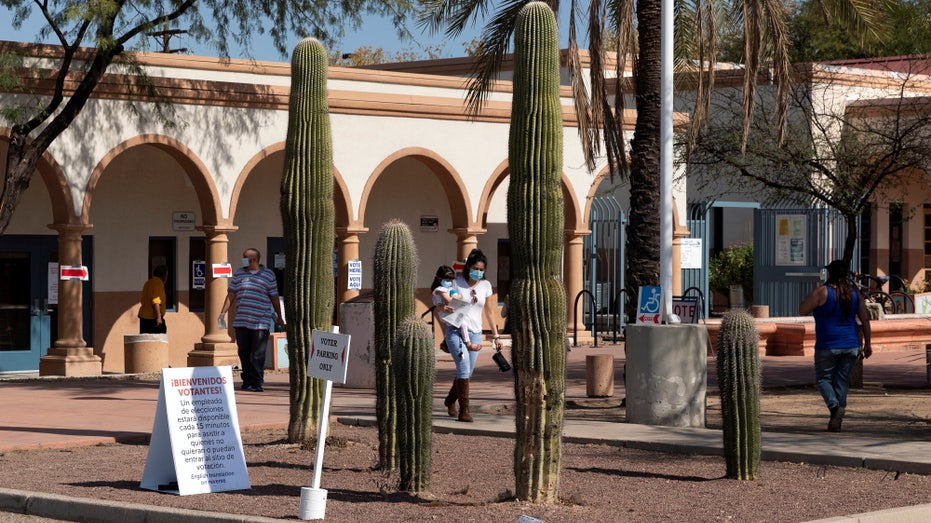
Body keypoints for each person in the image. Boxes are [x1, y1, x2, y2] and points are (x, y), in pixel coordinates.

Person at [799, 259, 872, 432]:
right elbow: (865, 319)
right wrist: (868, 343)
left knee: (823, 379)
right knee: (841, 380)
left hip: (827, 344)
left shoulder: (822, 292)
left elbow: (802, 310)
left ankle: (834, 408)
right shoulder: (855, 294)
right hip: (851, 345)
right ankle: (837, 418)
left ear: (831, 273)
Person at [440, 249, 503, 422]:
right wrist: (443, 310)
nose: (479, 272)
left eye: (482, 269)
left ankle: (450, 400)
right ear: (468, 267)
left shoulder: (486, 286)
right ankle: (464, 411)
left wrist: (496, 336)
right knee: (463, 366)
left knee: (468, 371)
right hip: (455, 331)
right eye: (475, 268)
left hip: (475, 333)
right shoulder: (456, 282)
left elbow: (490, 312)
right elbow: (440, 301)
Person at [219, 248, 285, 392]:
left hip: (261, 321)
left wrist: (279, 317)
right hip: (242, 320)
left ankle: (256, 382)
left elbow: (274, 297)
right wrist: (222, 313)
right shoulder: (239, 273)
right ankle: (247, 379)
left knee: (258, 353)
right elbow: (231, 295)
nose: (242, 259)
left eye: (245, 257)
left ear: (254, 259)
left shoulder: (268, 275)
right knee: (244, 352)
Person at [431, 265, 479, 351]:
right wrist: (457, 296)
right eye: (447, 280)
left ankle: (446, 343)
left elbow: (458, 296)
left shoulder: (449, 288)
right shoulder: (440, 289)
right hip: (445, 313)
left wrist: (457, 296)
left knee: (458, 325)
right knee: (462, 324)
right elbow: (449, 300)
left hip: (450, 312)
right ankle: (468, 343)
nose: (449, 282)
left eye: (451, 280)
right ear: (439, 279)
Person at [138, 265, 168, 334]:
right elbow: (156, 301)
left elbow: (143, 300)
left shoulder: (148, 283)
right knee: (158, 341)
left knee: (145, 341)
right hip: (152, 319)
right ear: (163, 275)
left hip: (144, 318)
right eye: (166, 275)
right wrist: (159, 317)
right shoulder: (158, 283)